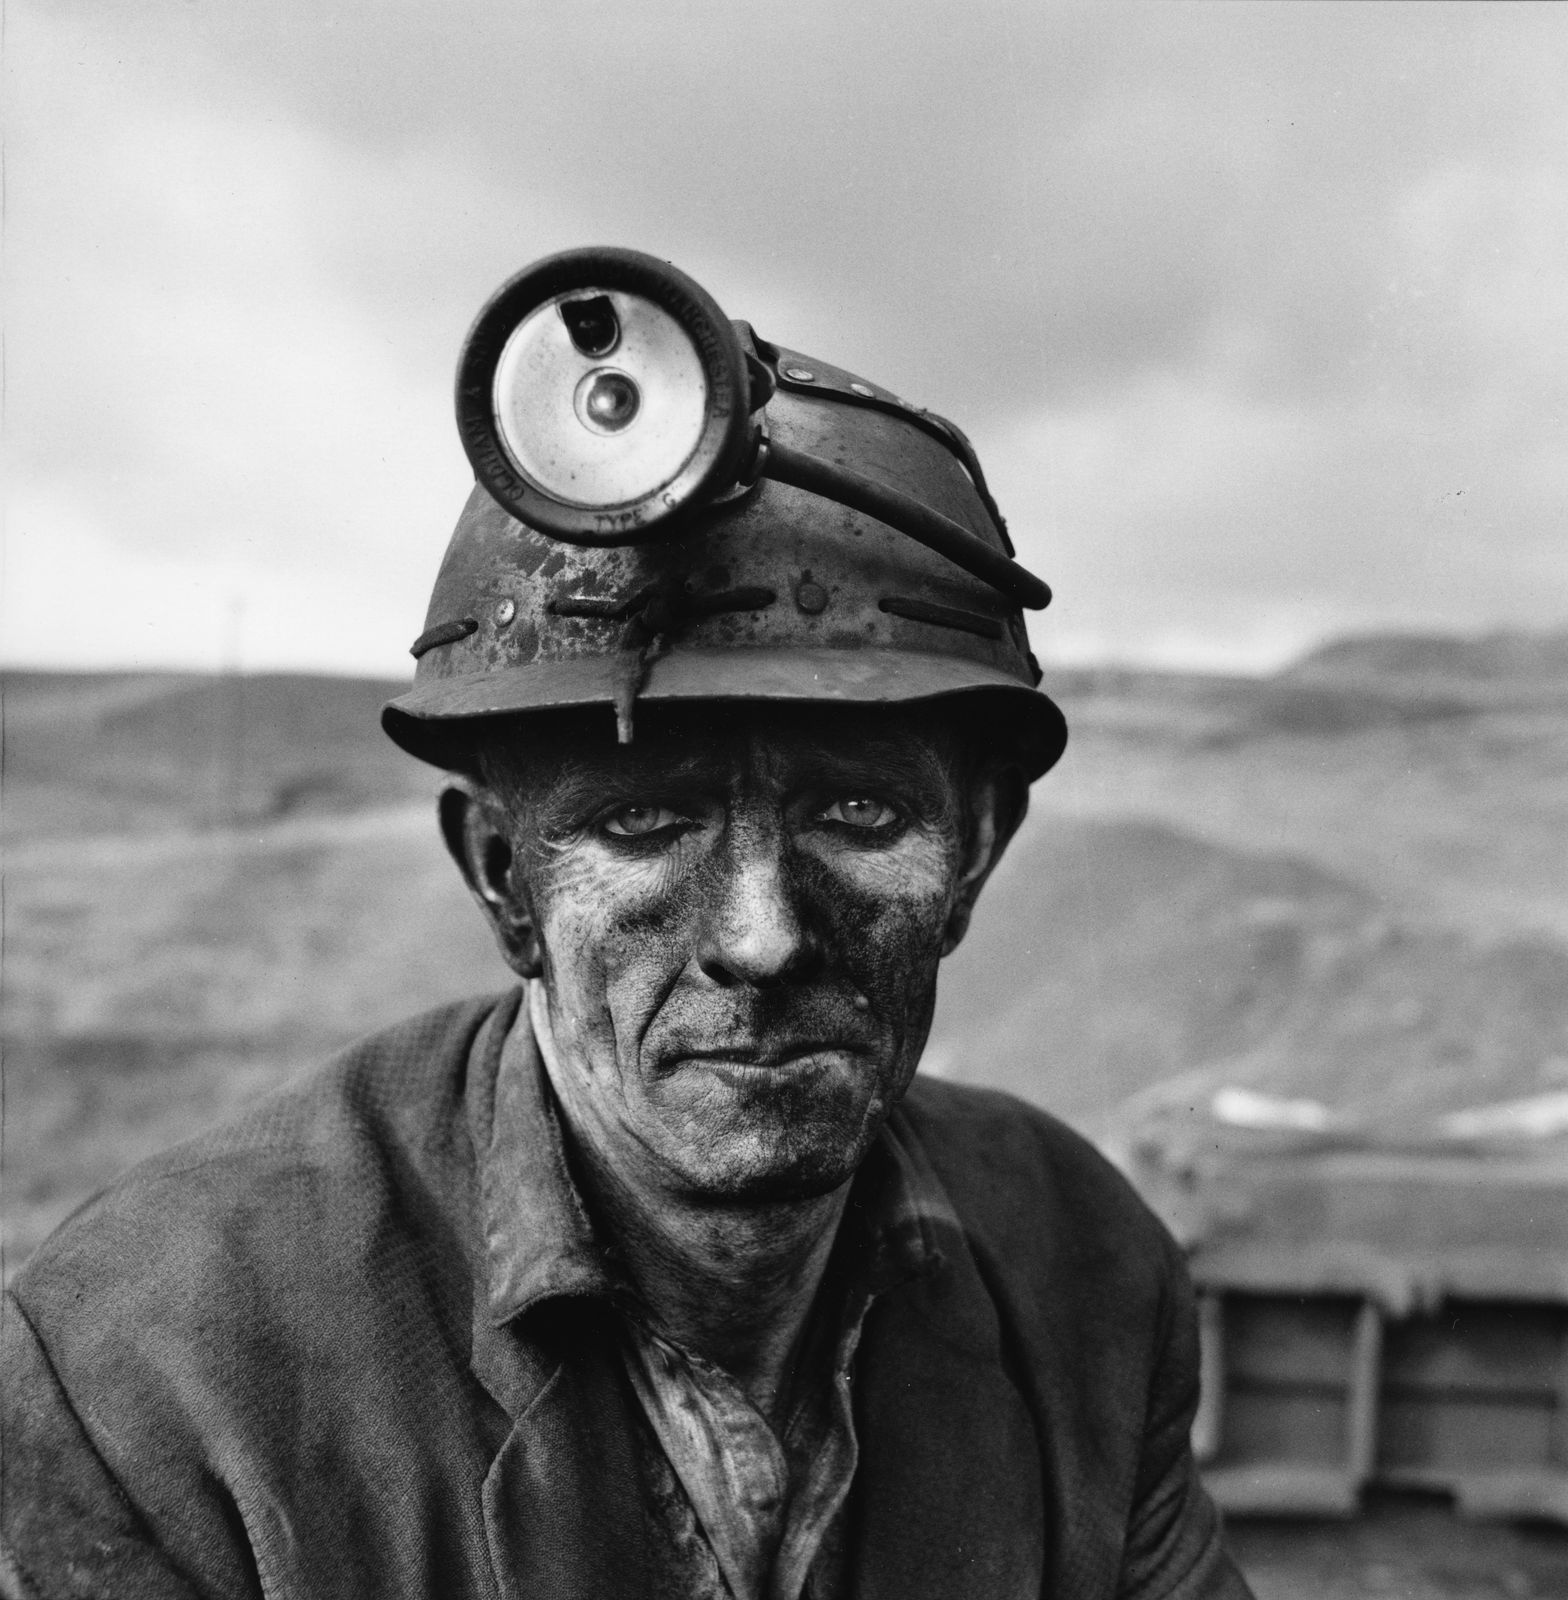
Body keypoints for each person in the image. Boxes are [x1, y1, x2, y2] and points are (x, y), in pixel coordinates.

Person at [2, 251, 1252, 1599]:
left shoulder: (1083, 1272)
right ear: (504, 878)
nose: (761, 939)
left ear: (977, 852)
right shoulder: (157, 1379)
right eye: (646, 822)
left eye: (858, 813)